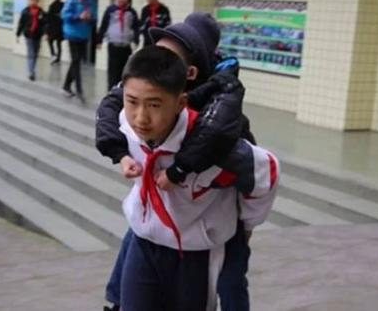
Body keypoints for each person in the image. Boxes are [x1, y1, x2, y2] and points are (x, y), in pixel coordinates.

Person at [97, 13, 258, 311]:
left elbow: (250, 164)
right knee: (138, 234)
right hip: (162, 220)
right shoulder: (147, 90)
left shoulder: (219, 106)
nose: (159, 62)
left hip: (212, 223)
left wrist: (180, 168)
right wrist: (119, 153)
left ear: (191, 72)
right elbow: (110, 105)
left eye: (170, 57)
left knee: (231, 279)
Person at [118, 45, 279, 311]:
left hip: (195, 254)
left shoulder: (212, 147)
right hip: (143, 243)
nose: (141, 117)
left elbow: (267, 173)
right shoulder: (126, 125)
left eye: (154, 105)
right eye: (132, 101)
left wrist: (247, 225)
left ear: (181, 102)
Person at [97, 0, 140, 91]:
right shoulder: (110, 10)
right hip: (113, 45)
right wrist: (99, 40)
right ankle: (111, 91)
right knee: (112, 71)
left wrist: (136, 40)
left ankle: (122, 92)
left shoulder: (132, 12)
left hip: (125, 46)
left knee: (124, 71)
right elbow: (104, 25)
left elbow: (136, 27)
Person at [61, 0, 97, 102]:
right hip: (72, 33)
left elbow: (94, 16)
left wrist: (90, 17)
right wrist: (78, 17)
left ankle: (66, 86)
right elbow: (65, 15)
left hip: (84, 34)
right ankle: (79, 90)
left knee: (76, 61)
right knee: (76, 60)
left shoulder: (90, 0)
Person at [16, 0, 47, 81]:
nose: (32, 1)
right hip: (29, 35)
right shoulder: (25, 11)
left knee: (35, 53)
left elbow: (45, 24)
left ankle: (32, 69)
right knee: (31, 53)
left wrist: (45, 33)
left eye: (34, 0)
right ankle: (31, 72)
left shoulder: (41, 12)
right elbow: (21, 23)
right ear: (28, 0)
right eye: (30, 0)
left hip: (38, 35)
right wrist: (18, 34)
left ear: (37, 1)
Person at [47, 0, 64, 64]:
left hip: (54, 28)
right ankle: (58, 58)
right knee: (59, 43)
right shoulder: (63, 5)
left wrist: (48, 31)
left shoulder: (52, 5)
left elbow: (49, 18)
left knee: (50, 41)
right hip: (61, 28)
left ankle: (53, 54)